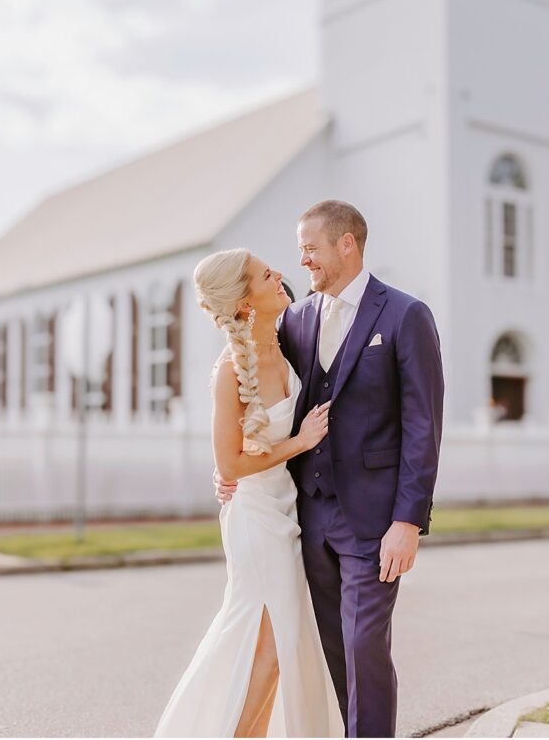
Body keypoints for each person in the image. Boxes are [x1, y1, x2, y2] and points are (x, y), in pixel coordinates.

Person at [215, 200, 445, 737]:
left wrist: (407, 522)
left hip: (374, 520)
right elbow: (258, 402)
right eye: (300, 252)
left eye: (311, 249)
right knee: (332, 649)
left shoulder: (406, 316)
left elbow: (423, 427)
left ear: (347, 244)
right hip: (306, 520)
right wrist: (232, 468)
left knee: (365, 645)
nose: (304, 263)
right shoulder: (295, 320)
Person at [154, 248, 344, 737]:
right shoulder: (229, 373)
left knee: (277, 648)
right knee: (273, 647)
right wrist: (298, 441)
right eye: (265, 274)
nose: (279, 272)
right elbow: (230, 463)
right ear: (244, 303)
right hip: (256, 519)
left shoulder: (285, 342)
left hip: (285, 508)